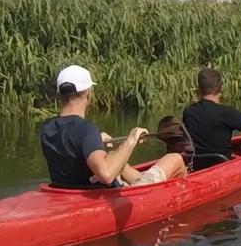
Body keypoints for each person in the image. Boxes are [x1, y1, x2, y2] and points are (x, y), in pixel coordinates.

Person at [39, 65, 186, 189]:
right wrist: (131, 140)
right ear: (88, 94)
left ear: (60, 95)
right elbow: (107, 175)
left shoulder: (47, 129)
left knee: (112, 156)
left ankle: (142, 180)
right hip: (102, 196)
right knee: (175, 158)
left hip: (69, 192)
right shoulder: (86, 130)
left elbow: (73, 148)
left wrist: (97, 143)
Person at [182, 67, 241, 168]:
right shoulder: (227, 113)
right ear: (220, 90)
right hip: (222, 167)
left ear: (198, 90)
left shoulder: (188, 112)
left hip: (198, 168)